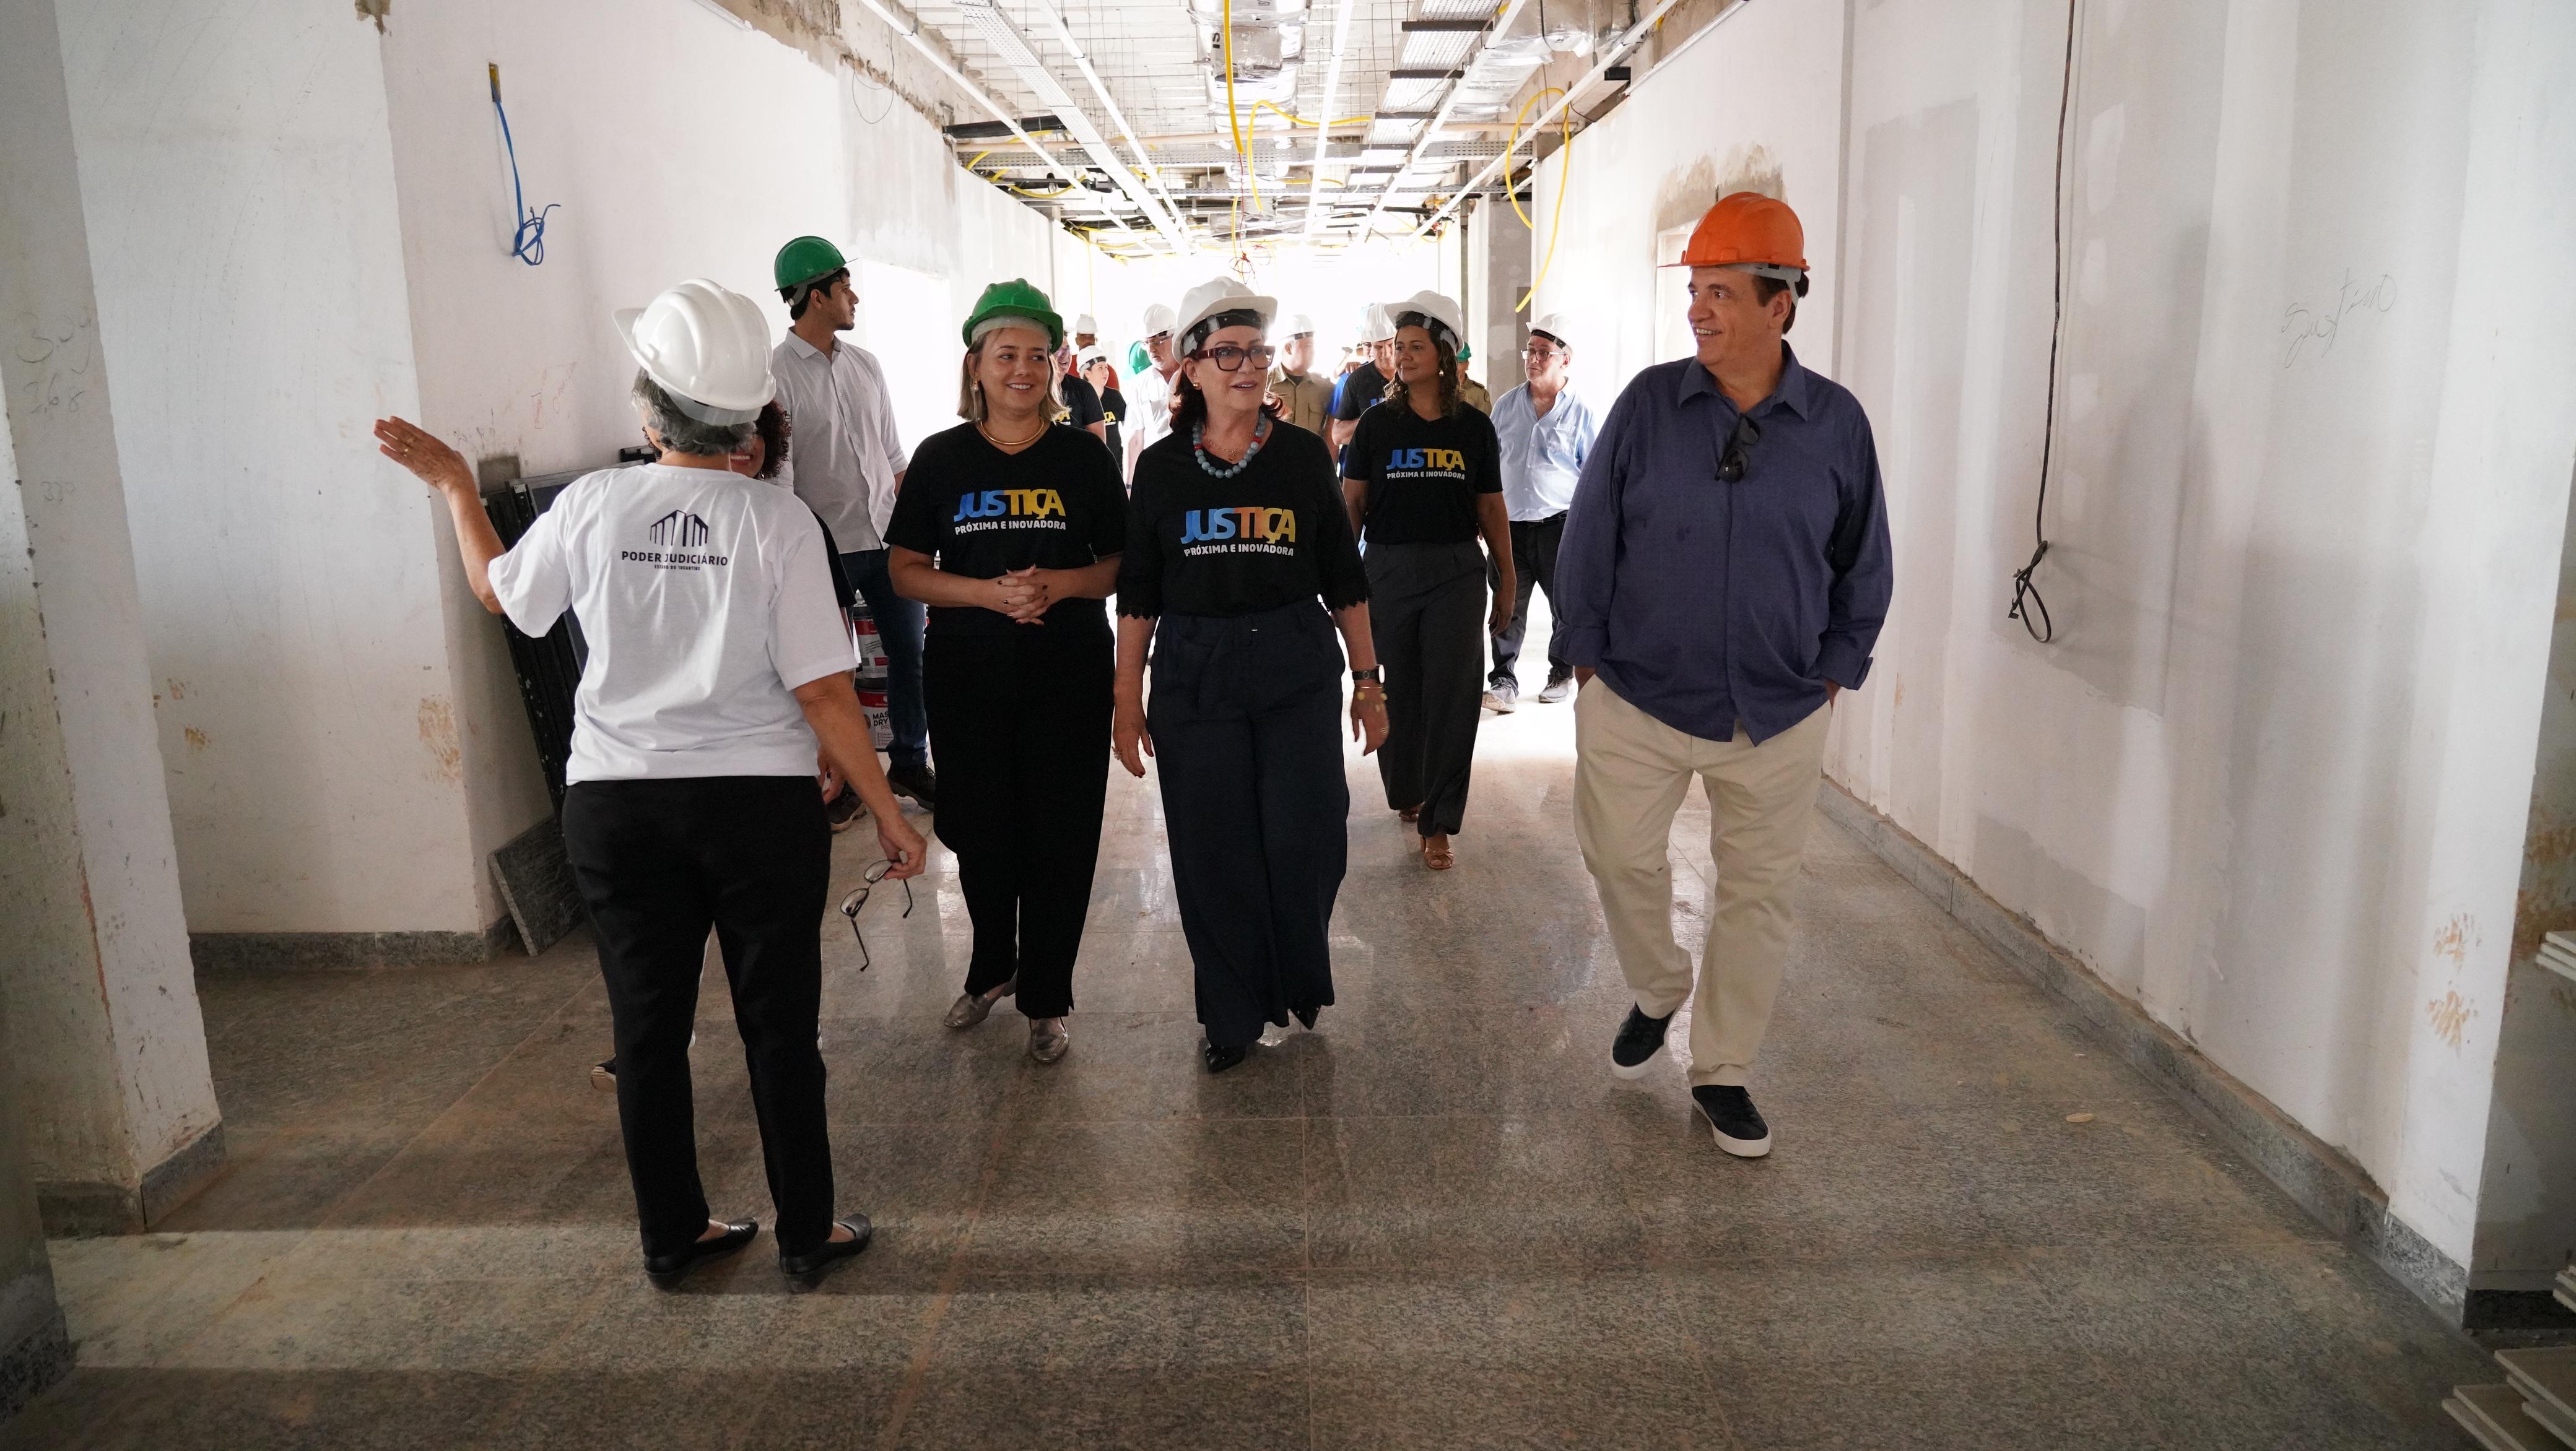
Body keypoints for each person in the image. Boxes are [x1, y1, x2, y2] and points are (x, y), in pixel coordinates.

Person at [375, 279, 924, 1286]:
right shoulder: (778, 522)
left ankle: (674, 1237)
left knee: (648, 1030)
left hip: (619, 807)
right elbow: (824, 691)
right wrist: (888, 810)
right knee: (779, 1028)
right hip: (758, 810)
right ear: (748, 416)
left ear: (648, 411)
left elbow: (502, 595)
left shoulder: (591, 504)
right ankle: (806, 1234)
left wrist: (457, 487)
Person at [1557, 191, 1892, 1159]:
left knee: (1759, 895)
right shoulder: (1648, 407)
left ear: (1780, 304)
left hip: (1779, 709)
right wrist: (1586, 662)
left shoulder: (1836, 425)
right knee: (1618, 857)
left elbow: (1864, 560)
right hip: (1638, 693)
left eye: (1719, 292)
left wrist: (1832, 675)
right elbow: (1590, 534)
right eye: (1695, 290)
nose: (1697, 309)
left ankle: (1724, 1071)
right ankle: (1658, 985)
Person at [1115, 277, 1386, 1073]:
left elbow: (1343, 578)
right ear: (1191, 368)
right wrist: (1125, 697)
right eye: (1226, 353)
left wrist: (1368, 682)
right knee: (1213, 849)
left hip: (1294, 664)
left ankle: (1295, 974)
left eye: (1256, 352)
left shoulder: (1301, 458)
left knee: (1308, 833)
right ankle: (1230, 1013)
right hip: (1194, 674)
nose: (1247, 366)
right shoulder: (1161, 467)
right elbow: (1138, 592)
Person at [886, 281, 1126, 1065]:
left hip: (1068, 672)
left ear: (1053, 366)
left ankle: (1046, 996)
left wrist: (1061, 584)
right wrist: (986, 594)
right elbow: (905, 569)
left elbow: (1119, 563)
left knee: (1061, 833)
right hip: (968, 674)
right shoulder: (940, 458)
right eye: (1005, 354)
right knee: (981, 828)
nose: (1022, 369)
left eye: (1036, 355)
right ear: (976, 365)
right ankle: (992, 966)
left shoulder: (1081, 456)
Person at [1341, 290, 1513, 873]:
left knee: (1454, 695)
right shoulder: (1376, 425)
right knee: (1400, 688)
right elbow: (1353, 504)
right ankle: (1407, 789)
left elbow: (1491, 509)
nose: (1403, 355)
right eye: (1399, 346)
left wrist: (1507, 581)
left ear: (1443, 354)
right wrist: (1342, 578)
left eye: (1416, 346)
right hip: (1388, 569)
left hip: (1455, 572)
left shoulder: (1474, 429)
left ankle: (1439, 821)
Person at [770, 235, 938, 808]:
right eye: (845, 287)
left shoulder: (866, 365)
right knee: (832, 673)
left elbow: (894, 457)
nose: (855, 297)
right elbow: (780, 481)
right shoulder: (776, 376)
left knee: (911, 656)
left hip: (887, 540)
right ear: (816, 296)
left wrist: (919, 532)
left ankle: (910, 763)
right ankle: (844, 779)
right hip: (826, 551)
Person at [1482, 313, 1597, 713]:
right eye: (1529, 351)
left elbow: (1592, 476)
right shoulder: (1506, 406)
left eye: (1543, 352)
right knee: (1506, 605)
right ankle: (1503, 681)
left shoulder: (1581, 413)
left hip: (1559, 527)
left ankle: (1561, 673)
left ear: (1565, 360)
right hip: (1509, 527)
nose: (1533, 359)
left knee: (1564, 606)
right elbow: (1488, 466)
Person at [1327, 303, 1396, 461]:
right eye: (1378, 347)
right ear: (1369, 346)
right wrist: (1375, 418)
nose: (1386, 353)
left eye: (1390, 345)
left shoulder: (1412, 377)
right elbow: (1337, 436)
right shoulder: (1356, 379)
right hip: (1363, 469)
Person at [1123, 301, 1182, 481]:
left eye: (1157, 341)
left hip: (1192, 469)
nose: (1151, 349)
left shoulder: (1194, 375)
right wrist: (1129, 486)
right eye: (1147, 343)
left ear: (1175, 337)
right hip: (1156, 474)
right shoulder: (1140, 384)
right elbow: (1135, 440)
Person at [1266, 312, 1333, 438]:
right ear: (1288, 348)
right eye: (1308, 346)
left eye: (1313, 346)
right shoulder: (1264, 385)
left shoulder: (1325, 388)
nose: (1313, 351)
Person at [1082, 347, 1127, 463]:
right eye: (1100, 368)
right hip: (1090, 463)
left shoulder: (1115, 397)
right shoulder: (1079, 400)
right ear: (1087, 373)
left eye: (1106, 368)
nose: (1105, 372)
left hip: (1116, 462)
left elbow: (1130, 427)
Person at [1455, 346, 1494, 414]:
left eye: (1459, 363)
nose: (1454, 367)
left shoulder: (1478, 393)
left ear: (1467, 365)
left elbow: (1484, 419)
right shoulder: (1439, 388)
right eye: (1451, 362)